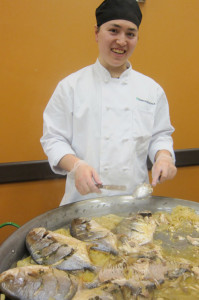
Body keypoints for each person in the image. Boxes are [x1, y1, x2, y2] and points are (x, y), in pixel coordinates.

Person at [40, 0, 177, 206]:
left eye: (130, 34)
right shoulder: (71, 86)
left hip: (135, 204)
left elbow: (160, 135)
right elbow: (53, 139)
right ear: (96, 33)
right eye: (114, 30)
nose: (122, 41)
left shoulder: (151, 89)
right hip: (83, 202)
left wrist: (164, 156)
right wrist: (76, 166)